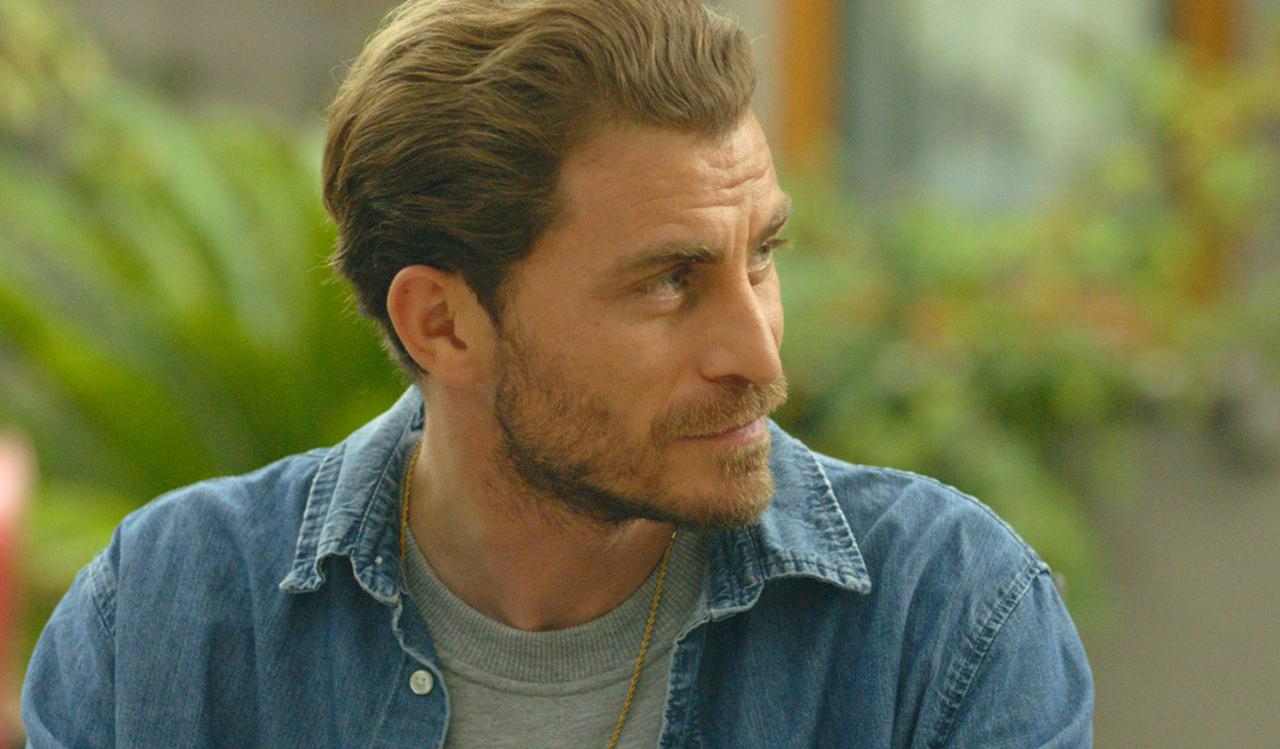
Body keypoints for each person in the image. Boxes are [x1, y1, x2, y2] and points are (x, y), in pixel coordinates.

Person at [21, 0, 1094, 746]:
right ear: (442, 323)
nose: (759, 353)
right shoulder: (164, 622)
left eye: (761, 255)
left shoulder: (944, 620)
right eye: (669, 282)